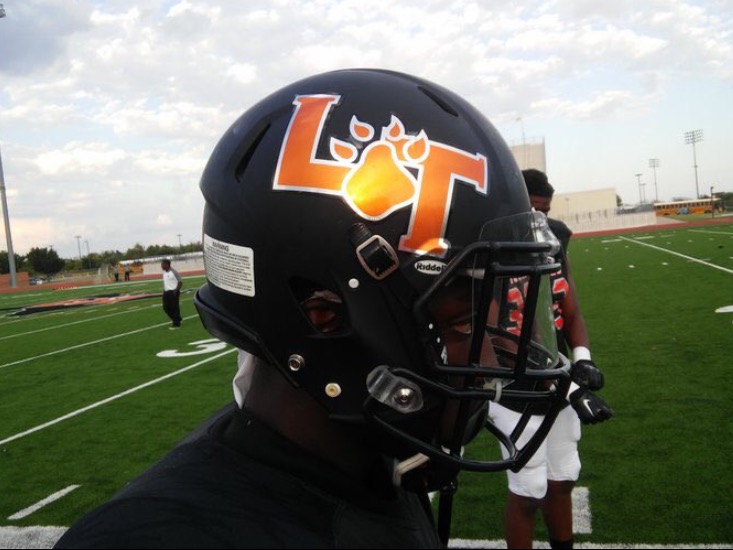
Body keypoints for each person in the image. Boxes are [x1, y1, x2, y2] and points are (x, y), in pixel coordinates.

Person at [56, 69, 576, 549]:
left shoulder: (376, 458)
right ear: (324, 315)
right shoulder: (159, 537)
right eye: (464, 318)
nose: (498, 356)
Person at [489, 168, 613, 550]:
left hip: (557, 373)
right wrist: (573, 388)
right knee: (529, 489)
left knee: (563, 478)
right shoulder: (491, 242)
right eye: (531, 209)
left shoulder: (553, 237)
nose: (538, 220)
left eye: (544, 211)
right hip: (512, 384)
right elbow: (503, 337)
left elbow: (570, 309)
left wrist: (583, 358)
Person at [161, 258, 182, 329]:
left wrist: (176, 290)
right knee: (165, 308)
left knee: (174, 308)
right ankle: (177, 319)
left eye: (162, 264)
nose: (161, 266)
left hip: (173, 292)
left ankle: (176, 324)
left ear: (167, 264)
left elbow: (180, 282)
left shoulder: (174, 272)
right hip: (166, 292)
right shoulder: (164, 272)